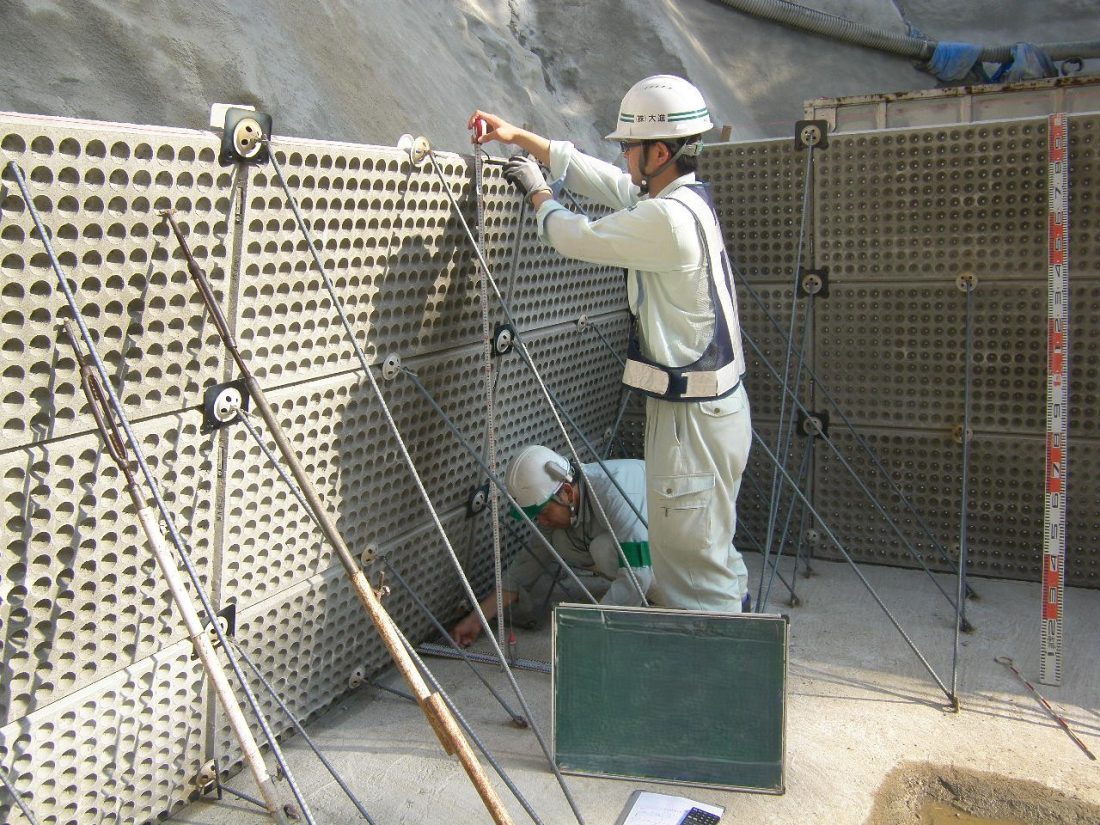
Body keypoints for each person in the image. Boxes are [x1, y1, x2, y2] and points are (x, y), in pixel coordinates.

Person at [469, 75, 751, 613]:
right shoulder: (682, 201)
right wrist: (520, 138)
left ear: (660, 152)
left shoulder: (666, 220)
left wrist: (539, 195)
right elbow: (609, 184)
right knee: (707, 547)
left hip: (692, 420)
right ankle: (728, 628)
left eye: (629, 146)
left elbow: (577, 237)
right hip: (708, 412)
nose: (623, 156)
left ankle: (710, 652)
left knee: (691, 566)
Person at [451, 444, 652, 647]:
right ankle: (635, 598)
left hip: (667, 554)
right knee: (562, 540)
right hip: (646, 556)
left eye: (544, 512)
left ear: (567, 493)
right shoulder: (564, 499)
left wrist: (591, 628)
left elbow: (638, 574)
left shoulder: (613, 492)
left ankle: (658, 601)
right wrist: (477, 619)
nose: (542, 521)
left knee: (603, 549)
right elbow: (527, 564)